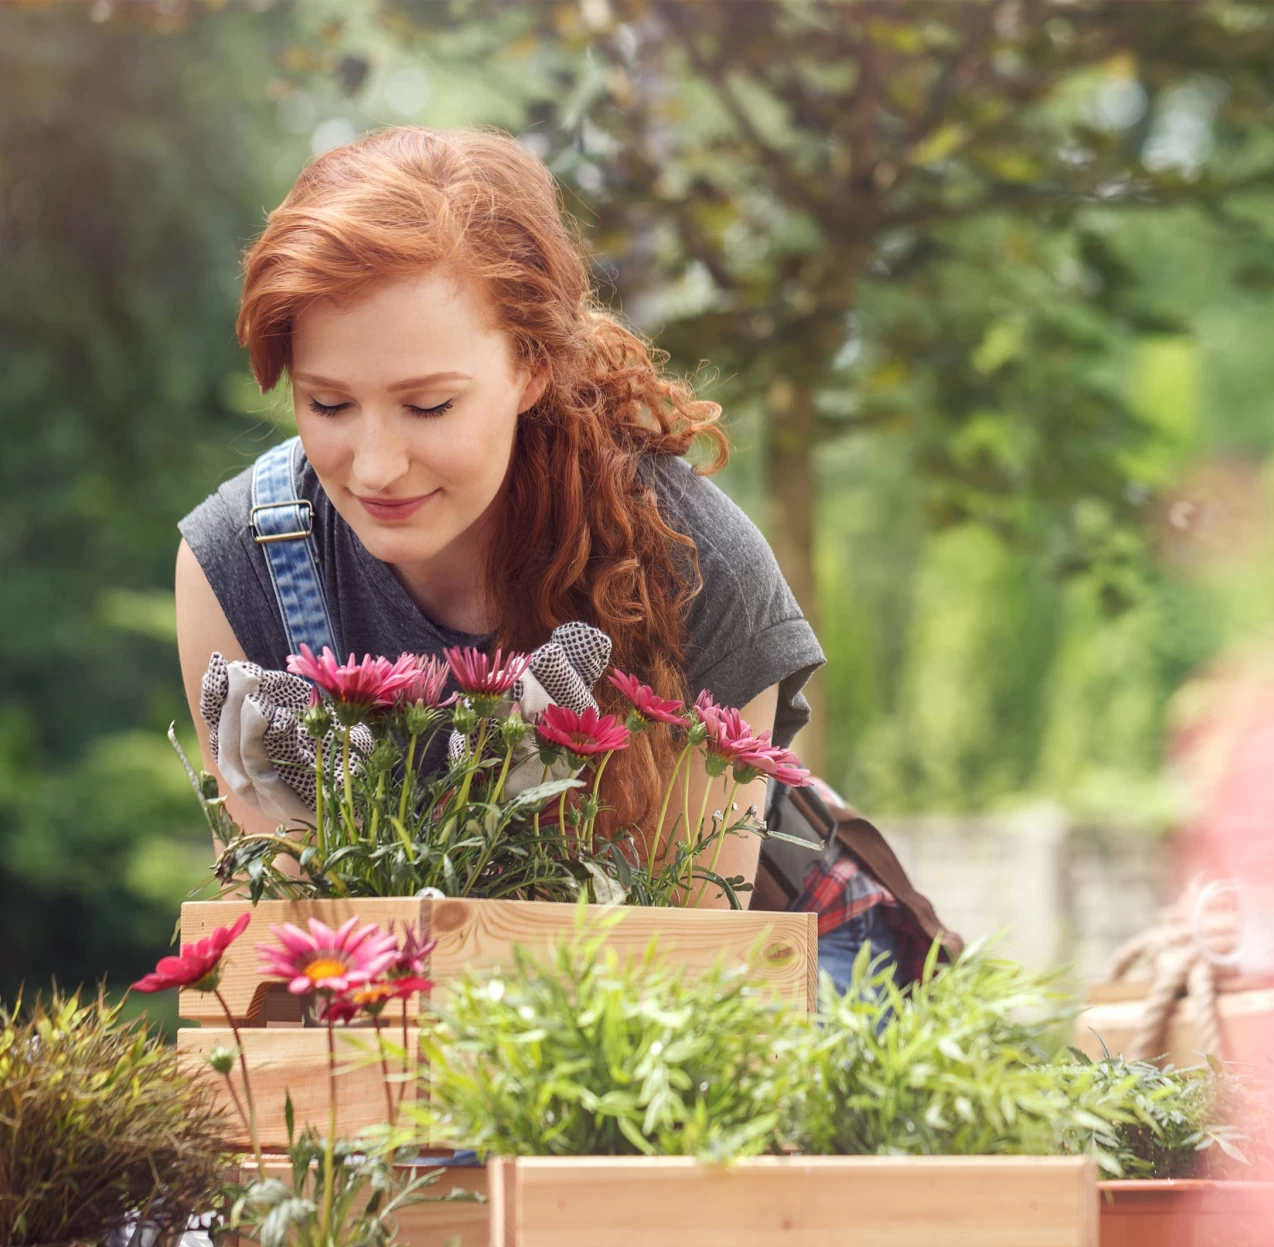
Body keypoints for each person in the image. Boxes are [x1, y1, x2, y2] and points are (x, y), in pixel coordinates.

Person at [175, 126, 823, 909]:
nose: (376, 466)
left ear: (531, 366)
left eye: (429, 405)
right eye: (328, 403)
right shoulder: (243, 563)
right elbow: (277, 969)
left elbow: (689, 981)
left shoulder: (699, 570)